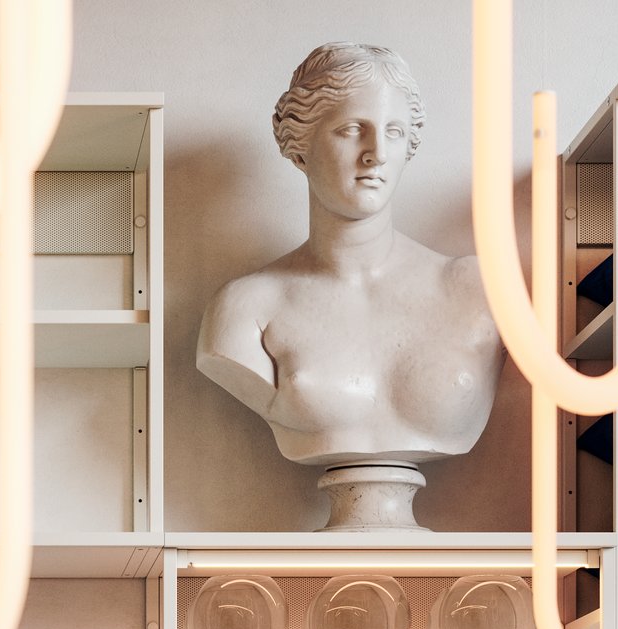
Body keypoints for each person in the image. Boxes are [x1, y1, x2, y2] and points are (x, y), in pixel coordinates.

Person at [197, 42, 503, 477]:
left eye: (393, 132)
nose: (376, 152)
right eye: (352, 129)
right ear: (299, 146)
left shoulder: (478, 289)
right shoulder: (245, 309)